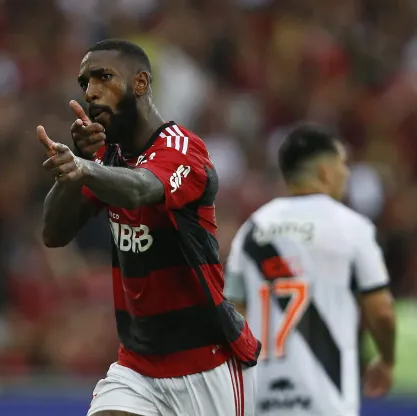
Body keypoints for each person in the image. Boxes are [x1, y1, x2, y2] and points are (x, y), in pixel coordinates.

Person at [37, 39, 260, 416]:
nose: (91, 92)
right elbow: (54, 234)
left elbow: (141, 189)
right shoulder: (108, 158)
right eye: (84, 83)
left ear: (140, 83)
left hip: (207, 361)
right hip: (138, 366)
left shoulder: (182, 148)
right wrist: (73, 172)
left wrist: (87, 168)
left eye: (103, 77)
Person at [223, 125, 396, 416]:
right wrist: (386, 359)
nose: (346, 173)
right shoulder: (352, 228)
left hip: (264, 400)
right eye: (342, 164)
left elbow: (232, 318)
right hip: (326, 402)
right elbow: (380, 312)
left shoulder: (252, 230)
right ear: (325, 171)